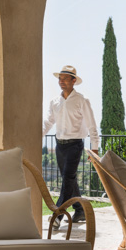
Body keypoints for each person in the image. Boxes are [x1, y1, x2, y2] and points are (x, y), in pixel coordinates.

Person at [42, 65, 98, 229]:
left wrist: (94, 147)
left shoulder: (82, 100)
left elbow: (91, 124)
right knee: (70, 180)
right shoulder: (55, 102)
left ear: (74, 81)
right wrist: (36, 138)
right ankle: (80, 210)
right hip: (60, 146)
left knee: (67, 178)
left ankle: (57, 214)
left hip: (75, 145)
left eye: (65, 78)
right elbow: (48, 122)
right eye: (60, 79)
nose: (61, 82)